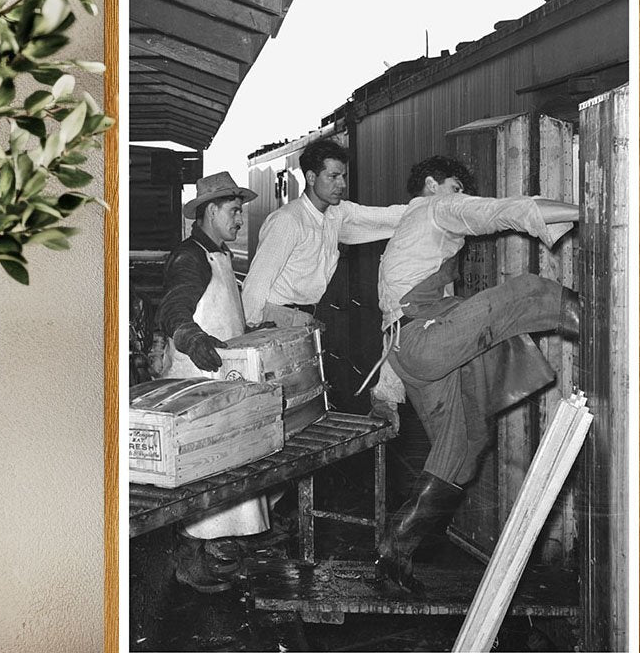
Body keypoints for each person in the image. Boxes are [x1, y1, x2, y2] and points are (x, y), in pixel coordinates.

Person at [368, 155, 581, 594]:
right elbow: (492, 212)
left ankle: (394, 555)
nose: (459, 196)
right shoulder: (433, 207)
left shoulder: (404, 226)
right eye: (455, 187)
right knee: (525, 291)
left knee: (463, 449)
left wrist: (387, 388)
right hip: (426, 341)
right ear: (432, 185)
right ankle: (600, 321)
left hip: (410, 354)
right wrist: (580, 211)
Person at [153, 171, 270, 593]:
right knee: (204, 481)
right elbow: (174, 310)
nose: (240, 218)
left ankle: (218, 554)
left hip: (220, 380)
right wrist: (191, 338)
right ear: (211, 211)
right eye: (235, 210)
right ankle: (191, 563)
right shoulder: (189, 257)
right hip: (195, 381)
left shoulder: (218, 254)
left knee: (224, 479)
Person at [241, 140, 407, 327]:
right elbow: (258, 280)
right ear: (311, 178)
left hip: (303, 315)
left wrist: (431, 208)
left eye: (343, 176)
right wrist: (252, 326)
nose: (342, 184)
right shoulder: (288, 220)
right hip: (275, 317)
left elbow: (383, 217)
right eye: (333, 176)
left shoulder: (335, 213)